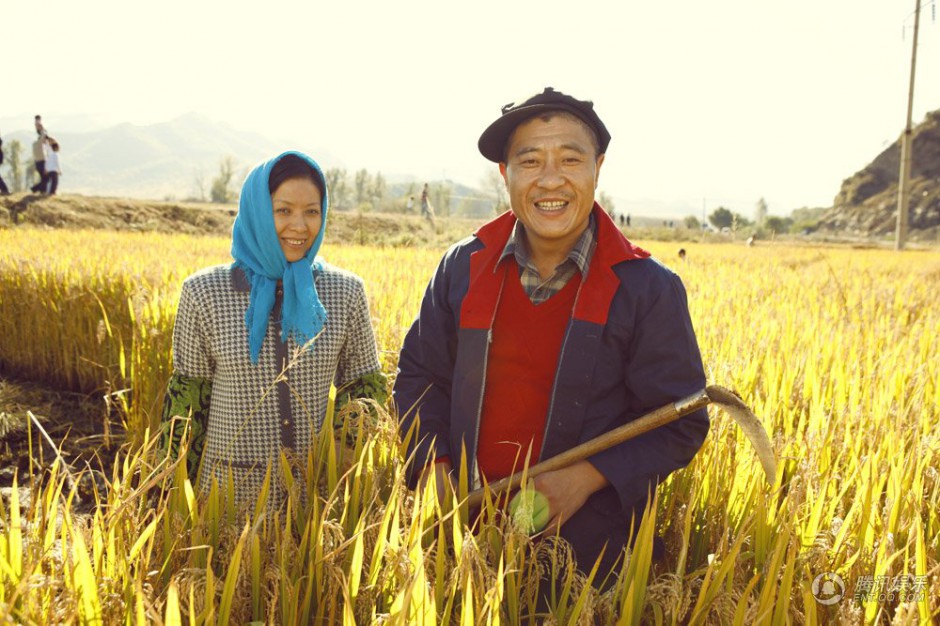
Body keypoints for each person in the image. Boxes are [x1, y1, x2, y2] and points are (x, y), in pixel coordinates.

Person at [394, 87, 709, 581]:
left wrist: (585, 478)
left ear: (597, 168)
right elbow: (420, 376)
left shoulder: (647, 288)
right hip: (461, 545)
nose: (550, 179)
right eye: (530, 161)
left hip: (585, 560)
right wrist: (433, 464)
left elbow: (680, 421)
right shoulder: (462, 266)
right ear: (506, 174)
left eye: (570, 159)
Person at [161, 151, 387, 507]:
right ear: (257, 211)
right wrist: (169, 498)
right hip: (228, 503)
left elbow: (364, 388)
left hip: (316, 504)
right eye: (283, 211)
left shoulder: (345, 292)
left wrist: (343, 473)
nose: (300, 226)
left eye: (311, 211)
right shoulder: (204, 293)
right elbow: (187, 406)